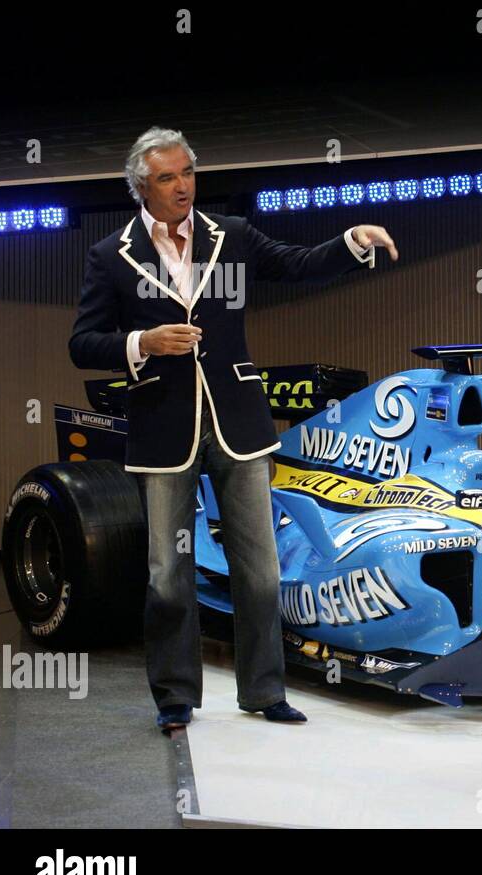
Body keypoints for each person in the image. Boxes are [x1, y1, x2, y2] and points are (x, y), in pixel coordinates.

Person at [69, 127, 399, 730]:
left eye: (188, 173)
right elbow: (82, 343)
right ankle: (174, 697)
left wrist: (351, 241)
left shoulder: (233, 236)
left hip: (238, 425)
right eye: (167, 178)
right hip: (163, 430)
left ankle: (265, 690)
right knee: (168, 574)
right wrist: (143, 342)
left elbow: (296, 263)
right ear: (142, 187)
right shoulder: (109, 254)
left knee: (261, 568)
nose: (182, 187)